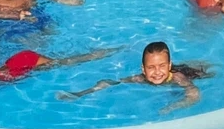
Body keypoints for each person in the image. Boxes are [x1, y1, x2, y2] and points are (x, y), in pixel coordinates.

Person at [59, 40, 211, 115]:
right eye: (151, 67)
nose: (157, 72)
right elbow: (111, 82)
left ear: (169, 65)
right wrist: (80, 93)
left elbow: (194, 94)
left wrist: (171, 108)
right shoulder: (140, 78)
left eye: (162, 66)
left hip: (192, 73)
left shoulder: (177, 78)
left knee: (205, 71)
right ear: (143, 69)